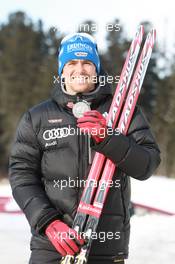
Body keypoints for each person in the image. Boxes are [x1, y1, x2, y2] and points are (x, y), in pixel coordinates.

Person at [9, 32, 161, 264]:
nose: (79, 69)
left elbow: (147, 165)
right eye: (71, 63)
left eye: (87, 63)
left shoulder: (124, 113)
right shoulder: (37, 117)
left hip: (107, 249)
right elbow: (22, 176)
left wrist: (108, 137)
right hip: (51, 247)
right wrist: (48, 222)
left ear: (96, 68)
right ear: (62, 69)